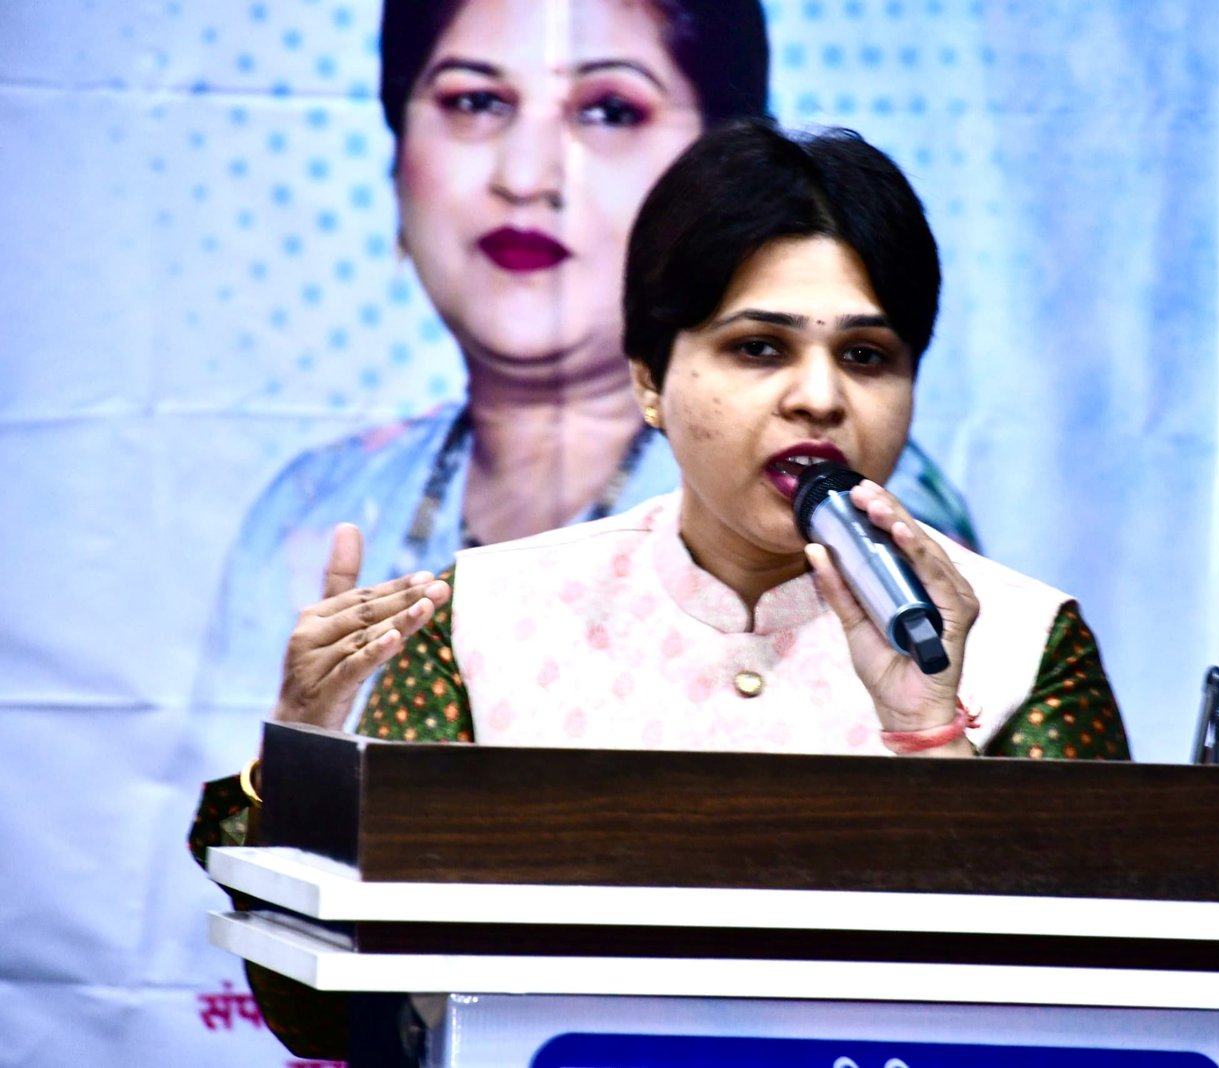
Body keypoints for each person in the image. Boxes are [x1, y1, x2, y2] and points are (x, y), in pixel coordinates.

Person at [192, 119, 1128, 1060]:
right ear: (649, 378)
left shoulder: (1023, 639)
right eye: (759, 348)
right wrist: (300, 757)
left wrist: (929, 732)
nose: (819, 397)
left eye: (866, 356)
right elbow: (324, 1019)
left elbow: (1097, 1014)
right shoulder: (484, 618)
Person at [195, 0, 977, 730]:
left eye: (609, 110)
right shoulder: (318, 511)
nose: (527, 176)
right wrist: (307, 741)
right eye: (476, 101)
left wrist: (929, 732)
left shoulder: (921, 576)